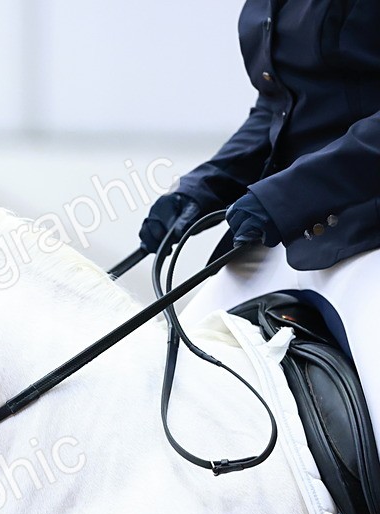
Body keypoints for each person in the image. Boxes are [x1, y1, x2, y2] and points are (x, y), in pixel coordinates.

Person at [139, 0, 380, 436]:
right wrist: (200, 189)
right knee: (160, 385)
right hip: (289, 234)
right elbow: (279, 110)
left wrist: (287, 196)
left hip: (368, 231)